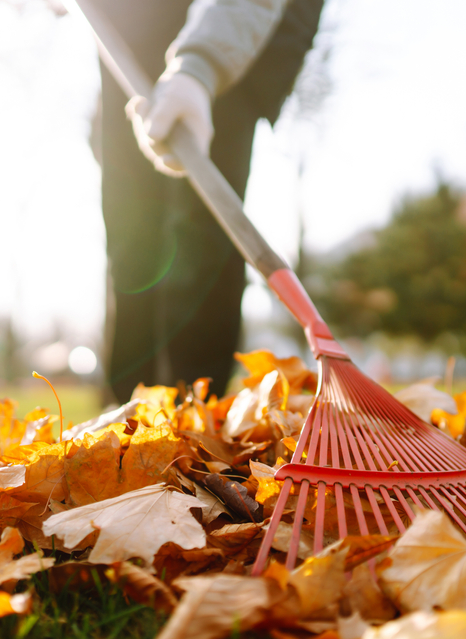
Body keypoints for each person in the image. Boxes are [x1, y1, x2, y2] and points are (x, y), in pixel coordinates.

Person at [97, 0, 324, 404]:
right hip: (126, 31)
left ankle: (198, 415)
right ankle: (130, 413)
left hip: (240, 30)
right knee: (131, 227)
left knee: (202, 230)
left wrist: (199, 69)